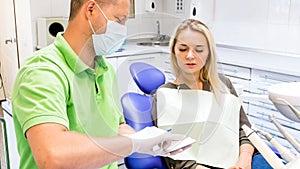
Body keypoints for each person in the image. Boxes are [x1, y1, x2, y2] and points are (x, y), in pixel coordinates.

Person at [11, 0, 185, 168]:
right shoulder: (43, 72)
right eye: (119, 20)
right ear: (91, 10)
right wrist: (133, 144)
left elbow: (115, 127)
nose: (123, 31)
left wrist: (148, 140)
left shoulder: (104, 69)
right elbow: (54, 156)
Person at [152, 19, 257, 169]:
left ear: (208, 53)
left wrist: (244, 160)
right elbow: (177, 157)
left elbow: (244, 130)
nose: (190, 56)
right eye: (183, 49)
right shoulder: (166, 96)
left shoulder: (223, 85)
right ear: (174, 51)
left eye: (199, 50)